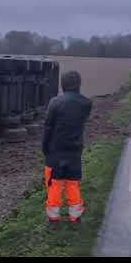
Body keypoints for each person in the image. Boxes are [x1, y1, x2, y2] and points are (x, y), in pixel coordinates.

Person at [42, 70, 92, 229]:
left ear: (62, 85)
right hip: (75, 151)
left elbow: (48, 128)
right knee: (73, 185)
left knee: (54, 185)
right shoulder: (86, 103)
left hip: (55, 151)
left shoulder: (55, 103)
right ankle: (75, 218)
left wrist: (45, 148)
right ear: (79, 84)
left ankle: (53, 220)